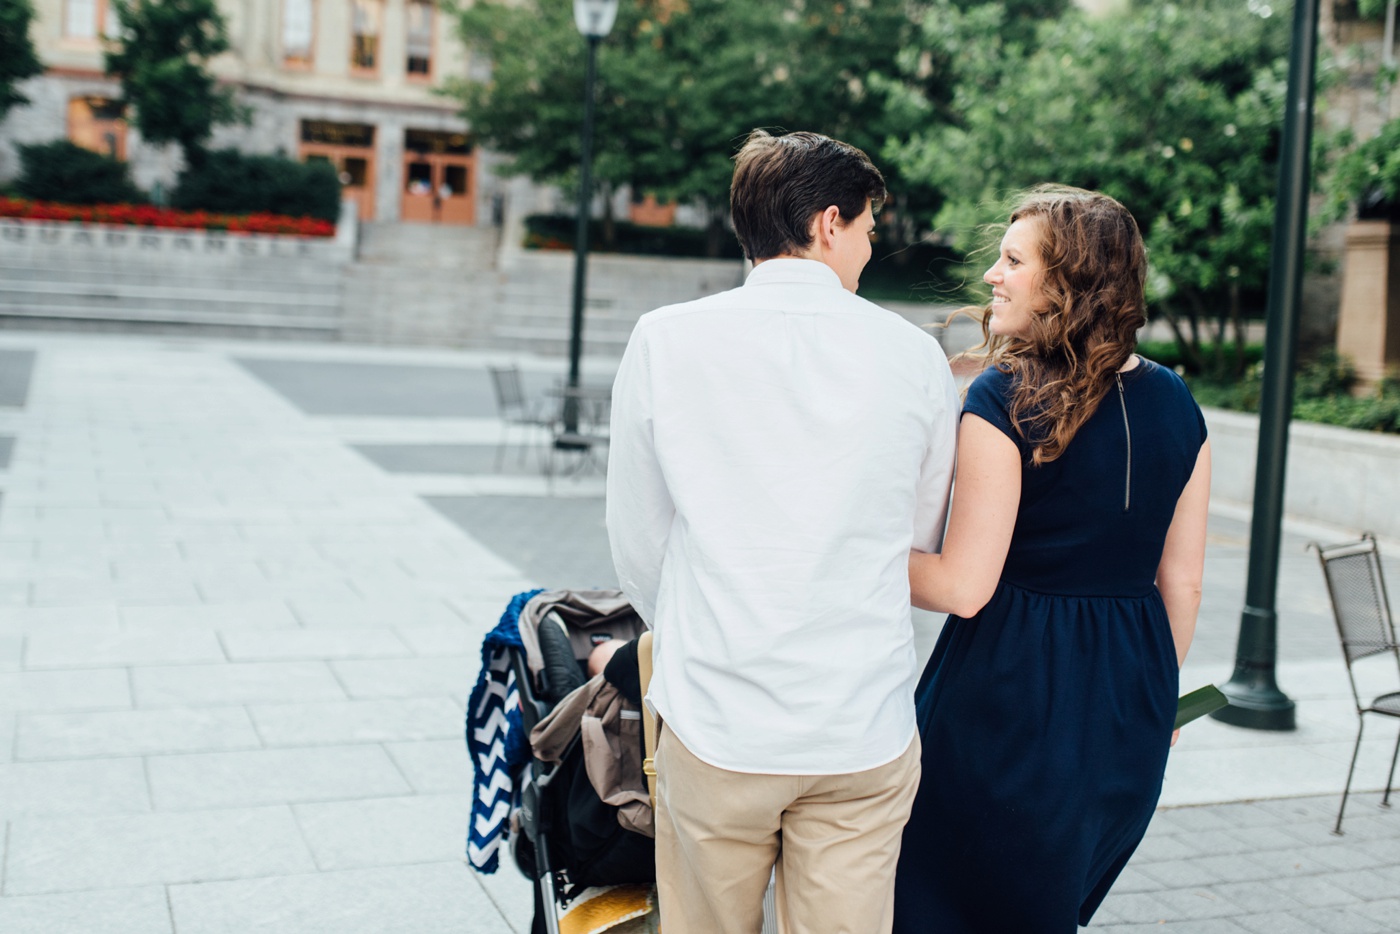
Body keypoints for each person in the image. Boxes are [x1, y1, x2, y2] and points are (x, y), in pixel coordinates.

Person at [606, 129, 959, 934]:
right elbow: (919, 528)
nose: (870, 249)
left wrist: (705, 629)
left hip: (717, 718)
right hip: (858, 722)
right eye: (869, 229)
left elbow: (636, 536)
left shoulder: (666, 339)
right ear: (828, 222)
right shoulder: (913, 357)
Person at [891, 186, 1211, 933]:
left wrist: (849, 554)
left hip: (1008, 693)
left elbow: (963, 586)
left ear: (1065, 281)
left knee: (936, 904)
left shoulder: (1003, 397)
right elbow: (1184, 581)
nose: (991, 277)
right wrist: (1157, 693)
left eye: (1011, 261)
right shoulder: (1179, 402)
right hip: (1132, 695)